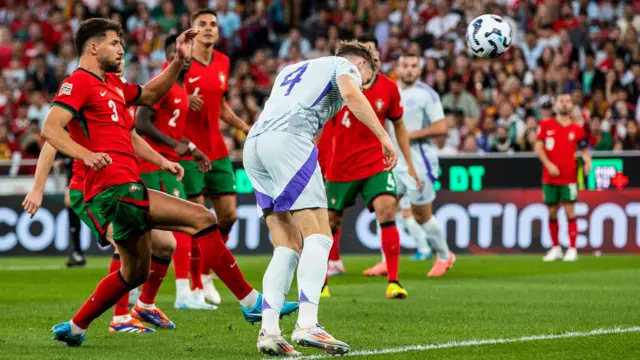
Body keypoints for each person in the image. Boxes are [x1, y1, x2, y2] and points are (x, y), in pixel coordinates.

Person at [39, 18, 296, 347]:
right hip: (113, 187)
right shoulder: (78, 83)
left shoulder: (114, 86)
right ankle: (250, 303)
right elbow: (51, 128)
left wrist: (178, 61)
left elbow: (150, 94)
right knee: (203, 218)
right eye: (114, 43)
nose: (122, 49)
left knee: (136, 273)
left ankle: (75, 328)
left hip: (124, 187)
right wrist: (85, 154)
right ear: (92, 47)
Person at [244, 40, 398, 356]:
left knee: (286, 243)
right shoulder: (344, 66)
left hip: (255, 144)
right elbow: (352, 93)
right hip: (289, 140)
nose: (365, 81)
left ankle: (269, 331)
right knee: (320, 235)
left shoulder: (292, 69)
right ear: (361, 65)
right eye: (367, 74)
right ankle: (308, 324)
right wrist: (384, 137)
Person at [322, 36, 418, 299]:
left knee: (387, 209)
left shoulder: (389, 88)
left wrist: (409, 163)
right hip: (340, 166)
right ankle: (320, 284)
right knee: (330, 222)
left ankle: (394, 282)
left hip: (376, 162)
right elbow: (321, 127)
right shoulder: (335, 86)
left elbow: (399, 125)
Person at [134, 34, 215, 310]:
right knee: (170, 226)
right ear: (171, 56)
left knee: (160, 231)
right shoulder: (162, 86)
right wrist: (175, 146)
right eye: (183, 52)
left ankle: (141, 293)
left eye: (191, 53)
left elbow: (171, 126)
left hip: (168, 163)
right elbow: (141, 123)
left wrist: (190, 147)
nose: (189, 57)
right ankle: (181, 294)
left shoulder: (179, 89)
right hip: (154, 165)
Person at [179, 9, 251, 305]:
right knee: (198, 220)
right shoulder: (180, 63)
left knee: (228, 216)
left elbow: (220, 105)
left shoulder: (223, 61)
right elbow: (162, 101)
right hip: (186, 150)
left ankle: (206, 273)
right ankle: (195, 288)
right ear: (192, 30)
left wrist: (246, 126)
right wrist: (184, 100)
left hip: (217, 149)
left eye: (213, 25)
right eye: (202, 25)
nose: (208, 29)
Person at [390, 53, 455, 277]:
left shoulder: (427, 94)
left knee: (421, 215)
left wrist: (411, 134)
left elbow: (441, 127)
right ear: (398, 68)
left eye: (414, 66)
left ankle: (445, 256)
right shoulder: (390, 90)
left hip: (419, 161)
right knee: (385, 209)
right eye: (405, 65)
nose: (409, 70)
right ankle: (386, 263)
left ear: (419, 70)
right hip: (393, 161)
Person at [536, 92, 591, 262]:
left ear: (572, 105)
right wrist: (549, 164)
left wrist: (588, 161)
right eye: (561, 101)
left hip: (569, 177)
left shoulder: (578, 128)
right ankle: (556, 247)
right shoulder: (545, 125)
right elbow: (538, 148)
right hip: (550, 177)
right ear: (556, 105)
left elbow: (583, 149)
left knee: (570, 210)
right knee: (552, 211)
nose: (565, 104)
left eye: (568, 101)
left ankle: (572, 248)